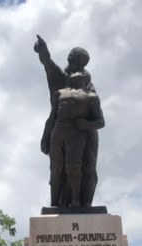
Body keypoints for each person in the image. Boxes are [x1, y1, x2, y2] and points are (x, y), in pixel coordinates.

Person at [33, 35, 100, 207]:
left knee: (88, 168)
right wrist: (43, 50)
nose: (81, 67)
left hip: (87, 130)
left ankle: (84, 204)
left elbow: (96, 110)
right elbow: (47, 62)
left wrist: (88, 124)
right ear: (70, 59)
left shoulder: (87, 81)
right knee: (60, 168)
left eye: (83, 65)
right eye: (78, 63)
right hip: (61, 128)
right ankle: (60, 203)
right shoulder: (59, 77)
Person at [42, 70, 106, 207]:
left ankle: (76, 200)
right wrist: (45, 136)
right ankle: (54, 203)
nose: (73, 73)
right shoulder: (59, 94)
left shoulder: (91, 97)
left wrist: (87, 124)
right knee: (55, 167)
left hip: (77, 131)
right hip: (58, 129)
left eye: (78, 72)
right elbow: (52, 117)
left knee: (73, 165)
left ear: (85, 78)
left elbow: (101, 121)